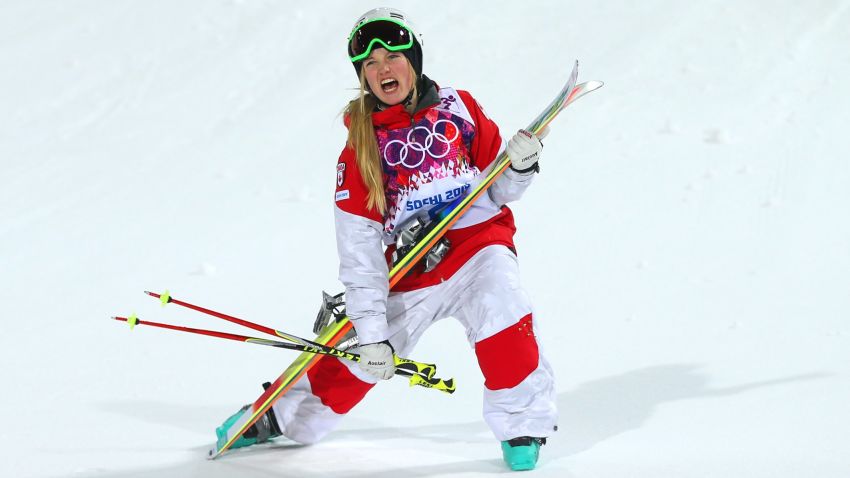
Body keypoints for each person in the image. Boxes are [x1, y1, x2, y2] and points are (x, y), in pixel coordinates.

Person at [217, 7, 557, 471]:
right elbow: (359, 252)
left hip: (480, 246)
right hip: (417, 264)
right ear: (363, 78)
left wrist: (519, 164)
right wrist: (374, 336)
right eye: (370, 64)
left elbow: (498, 189)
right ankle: (280, 418)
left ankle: (522, 428)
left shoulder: (459, 107)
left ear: (412, 61)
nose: (382, 69)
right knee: (360, 355)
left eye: (392, 56)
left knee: (505, 311)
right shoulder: (359, 149)